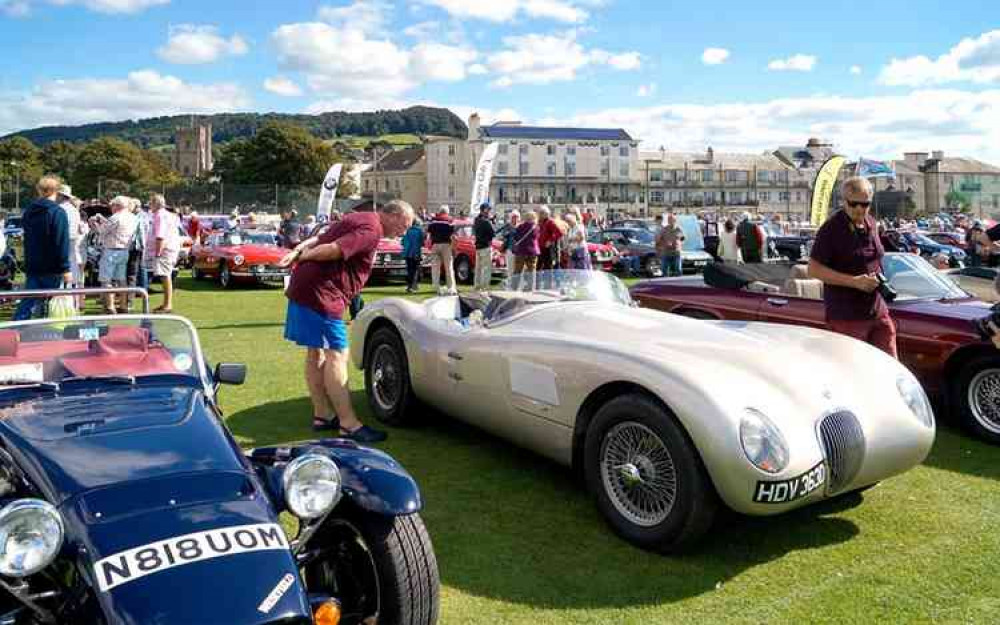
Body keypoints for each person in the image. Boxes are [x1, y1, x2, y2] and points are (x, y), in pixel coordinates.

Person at [279, 200, 415, 442]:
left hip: (307, 288)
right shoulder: (371, 229)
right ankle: (348, 424)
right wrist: (305, 256)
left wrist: (299, 252)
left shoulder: (359, 217)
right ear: (392, 215)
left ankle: (322, 415)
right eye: (403, 225)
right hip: (321, 294)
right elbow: (332, 248)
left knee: (316, 352)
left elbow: (318, 237)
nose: (403, 231)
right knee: (338, 354)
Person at [808, 176, 897, 358]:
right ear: (844, 201)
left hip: (877, 311)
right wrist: (854, 282)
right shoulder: (831, 229)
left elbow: (874, 257)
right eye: (853, 204)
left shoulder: (871, 223)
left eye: (864, 204)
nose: (859, 209)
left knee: (890, 367)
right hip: (847, 317)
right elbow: (813, 269)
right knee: (853, 371)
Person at [13, 176, 72, 321]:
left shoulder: (28, 212)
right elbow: (61, 241)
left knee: (28, 302)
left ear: (39, 190)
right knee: (49, 303)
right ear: (56, 191)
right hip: (52, 266)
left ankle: (16, 329)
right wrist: (66, 268)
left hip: (33, 263)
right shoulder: (57, 212)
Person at [90, 196, 138, 314]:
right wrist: (102, 219)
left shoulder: (116, 217)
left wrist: (93, 223)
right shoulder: (133, 218)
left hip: (111, 250)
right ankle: (123, 305)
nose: (111, 207)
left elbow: (102, 231)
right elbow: (112, 228)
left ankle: (110, 306)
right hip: (124, 250)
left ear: (117, 206)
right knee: (121, 279)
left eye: (112, 205)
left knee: (106, 280)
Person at [148, 194, 181, 312]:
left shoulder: (160, 216)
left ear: (155, 204)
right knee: (165, 275)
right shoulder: (168, 215)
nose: (149, 205)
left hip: (165, 250)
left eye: (151, 203)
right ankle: (166, 303)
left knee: (165, 275)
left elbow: (160, 235)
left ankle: (167, 304)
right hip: (170, 249)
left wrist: (158, 252)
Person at [427, 205, 457, 295]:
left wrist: (429, 245)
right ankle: (451, 286)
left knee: (435, 268)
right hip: (446, 245)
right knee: (448, 267)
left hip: (435, 244)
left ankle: (436, 286)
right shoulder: (450, 220)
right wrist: (453, 248)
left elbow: (428, 234)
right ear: (447, 212)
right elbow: (453, 236)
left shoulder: (433, 220)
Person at [512, 210, 540, 291]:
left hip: (521, 251)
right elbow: (537, 237)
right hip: (532, 251)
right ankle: (531, 288)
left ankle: (514, 288)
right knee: (532, 271)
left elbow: (516, 237)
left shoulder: (520, 227)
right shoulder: (536, 227)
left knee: (517, 270)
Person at [473, 203, 495, 291]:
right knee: (486, 269)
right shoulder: (486, 221)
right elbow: (493, 233)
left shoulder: (476, 220)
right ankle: (484, 288)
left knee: (478, 269)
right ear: (485, 210)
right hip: (485, 247)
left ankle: (477, 287)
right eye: (488, 210)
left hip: (478, 247)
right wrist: (492, 221)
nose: (489, 212)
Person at [656, 213, 685, 277]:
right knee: (664, 269)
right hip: (666, 252)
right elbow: (658, 240)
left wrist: (678, 243)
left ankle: (679, 283)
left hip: (676, 252)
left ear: (675, 220)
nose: (670, 221)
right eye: (669, 220)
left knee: (678, 269)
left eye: (672, 220)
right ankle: (664, 283)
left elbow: (683, 238)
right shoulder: (664, 229)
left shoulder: (679, 229)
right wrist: (664, 243)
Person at [401, 218, 424, 293]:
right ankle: (414, 286)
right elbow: (421, 242)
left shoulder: (408, 231)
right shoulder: (420, 231)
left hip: (408, 253)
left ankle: (409, 286)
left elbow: (403, 241)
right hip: (416, 253)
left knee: (409, 270)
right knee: (415, 270)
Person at [537, 206, 562, 272]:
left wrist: (550, 241)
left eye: (541, 213)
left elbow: (559, 233)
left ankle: (548, 282)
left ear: (545, 214)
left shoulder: (550, 222)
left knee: (547, 267)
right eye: (540, 213)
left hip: (547, 249)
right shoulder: (540, 222)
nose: (539, 215)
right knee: (538, 267)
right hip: (540, 248)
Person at [501, 211, 521, 282]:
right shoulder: (507, 226)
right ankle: (510, 283)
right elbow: (503, 235)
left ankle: (516, 283)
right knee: (510, 267)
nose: (515, 219)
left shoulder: (520, 226)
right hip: (509, 249)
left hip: (518, 251)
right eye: (513, 217)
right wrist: (509, 232)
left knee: (517, 268)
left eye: (516, 217)